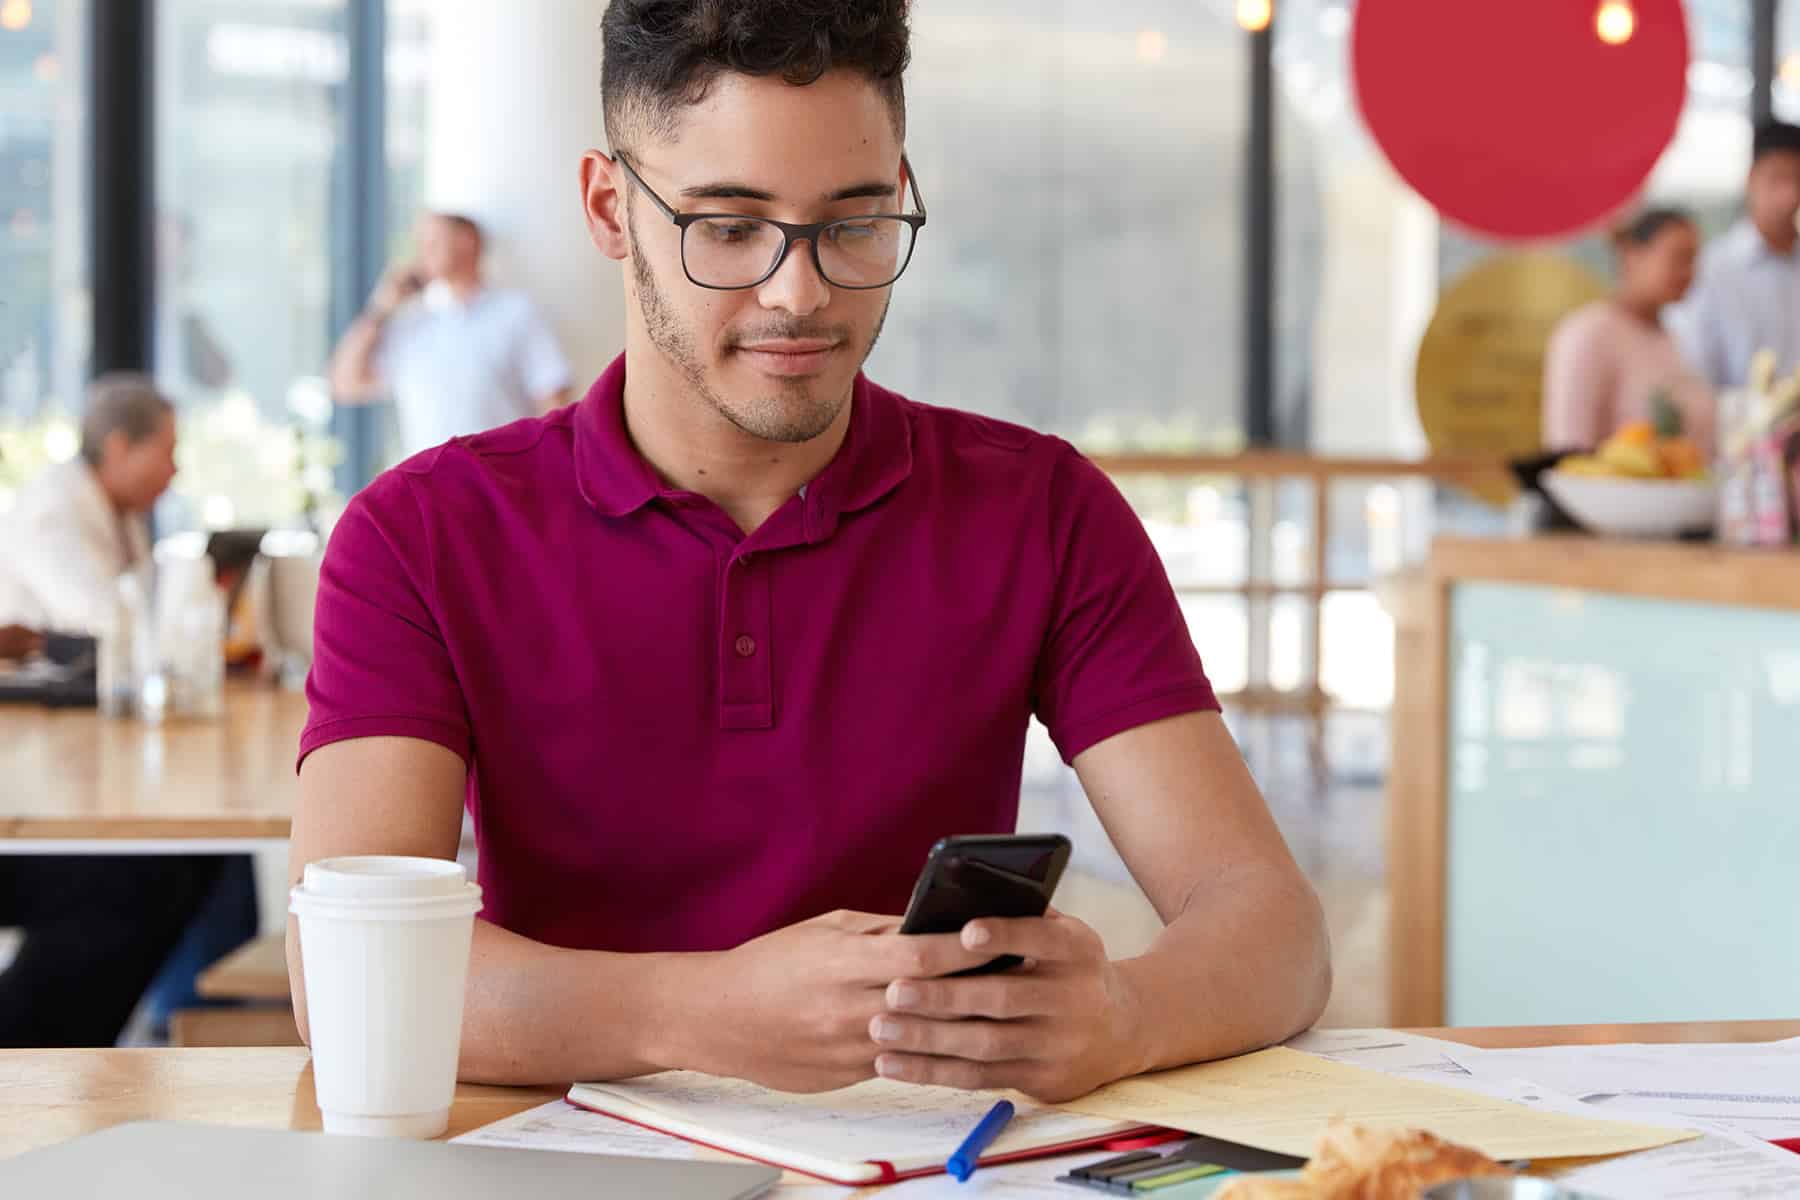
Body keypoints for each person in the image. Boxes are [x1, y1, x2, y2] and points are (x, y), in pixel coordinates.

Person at [288, 0, 1330, 1101]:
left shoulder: (1043, 510)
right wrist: (701, 1013)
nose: (802, 293)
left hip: (924, 1159)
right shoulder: (419, 535)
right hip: (559, 1157)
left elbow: (1275, 928)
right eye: (729, 227)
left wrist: (1126, 1014)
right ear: (610, 208)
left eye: (854, 223)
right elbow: (345, 979)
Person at [327, 212, 575, 458]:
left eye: (433, 240)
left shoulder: (516, 313)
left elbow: (553, 395)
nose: (422, 251)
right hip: (427, 480)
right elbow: (344, 383)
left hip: (502, 476)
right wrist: (380, 308)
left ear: (468, 241)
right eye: (420, 242)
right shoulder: (409, 323)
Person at [0, 373, 177, 635]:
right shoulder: (51, 509)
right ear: (118, 447)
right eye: (167, 453)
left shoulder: (122, 511)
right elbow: (97, 620)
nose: (173, 470)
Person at [1542, 208, 1714, 454]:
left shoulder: (1673, 336)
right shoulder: (1588, 335)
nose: (1689, 272)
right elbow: (1568, 451)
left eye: (1693, 260)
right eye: (1679, 258)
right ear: (1632, 256)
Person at [1670, 121, 1800, 390]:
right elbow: (1693, 377)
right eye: (1778, 179)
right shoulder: (1709, 270)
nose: (1791, 196)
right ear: (1751, 179)